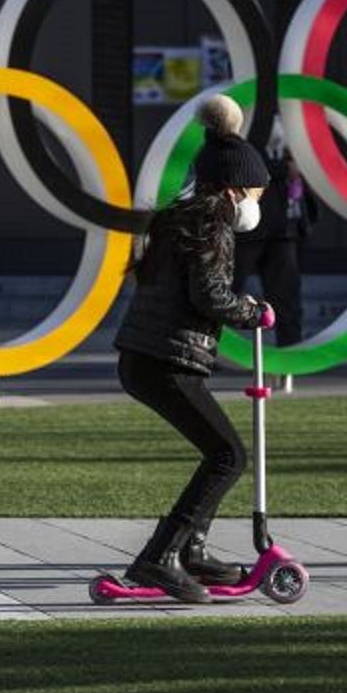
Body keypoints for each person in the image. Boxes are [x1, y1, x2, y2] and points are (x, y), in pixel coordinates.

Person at [113, 94, 273, 604]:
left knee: (220, 452)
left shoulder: (177, 216)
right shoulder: (211, 222)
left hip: (146, 356)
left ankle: (193, 549)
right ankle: (161, 556)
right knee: (228, 455)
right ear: (233, 188)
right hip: (165, 359)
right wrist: (252, 311)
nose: (257, 204)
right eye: (256, 193)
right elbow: (210, 295)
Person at [233, 120, 318, 350]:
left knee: (286, 298)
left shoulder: (293, 123)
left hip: (282, 229)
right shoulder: (249, 124)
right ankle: (206, 346)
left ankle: (290, 353)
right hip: (248, 229)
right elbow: (244, 164)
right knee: (223, 290)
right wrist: (285, 168)